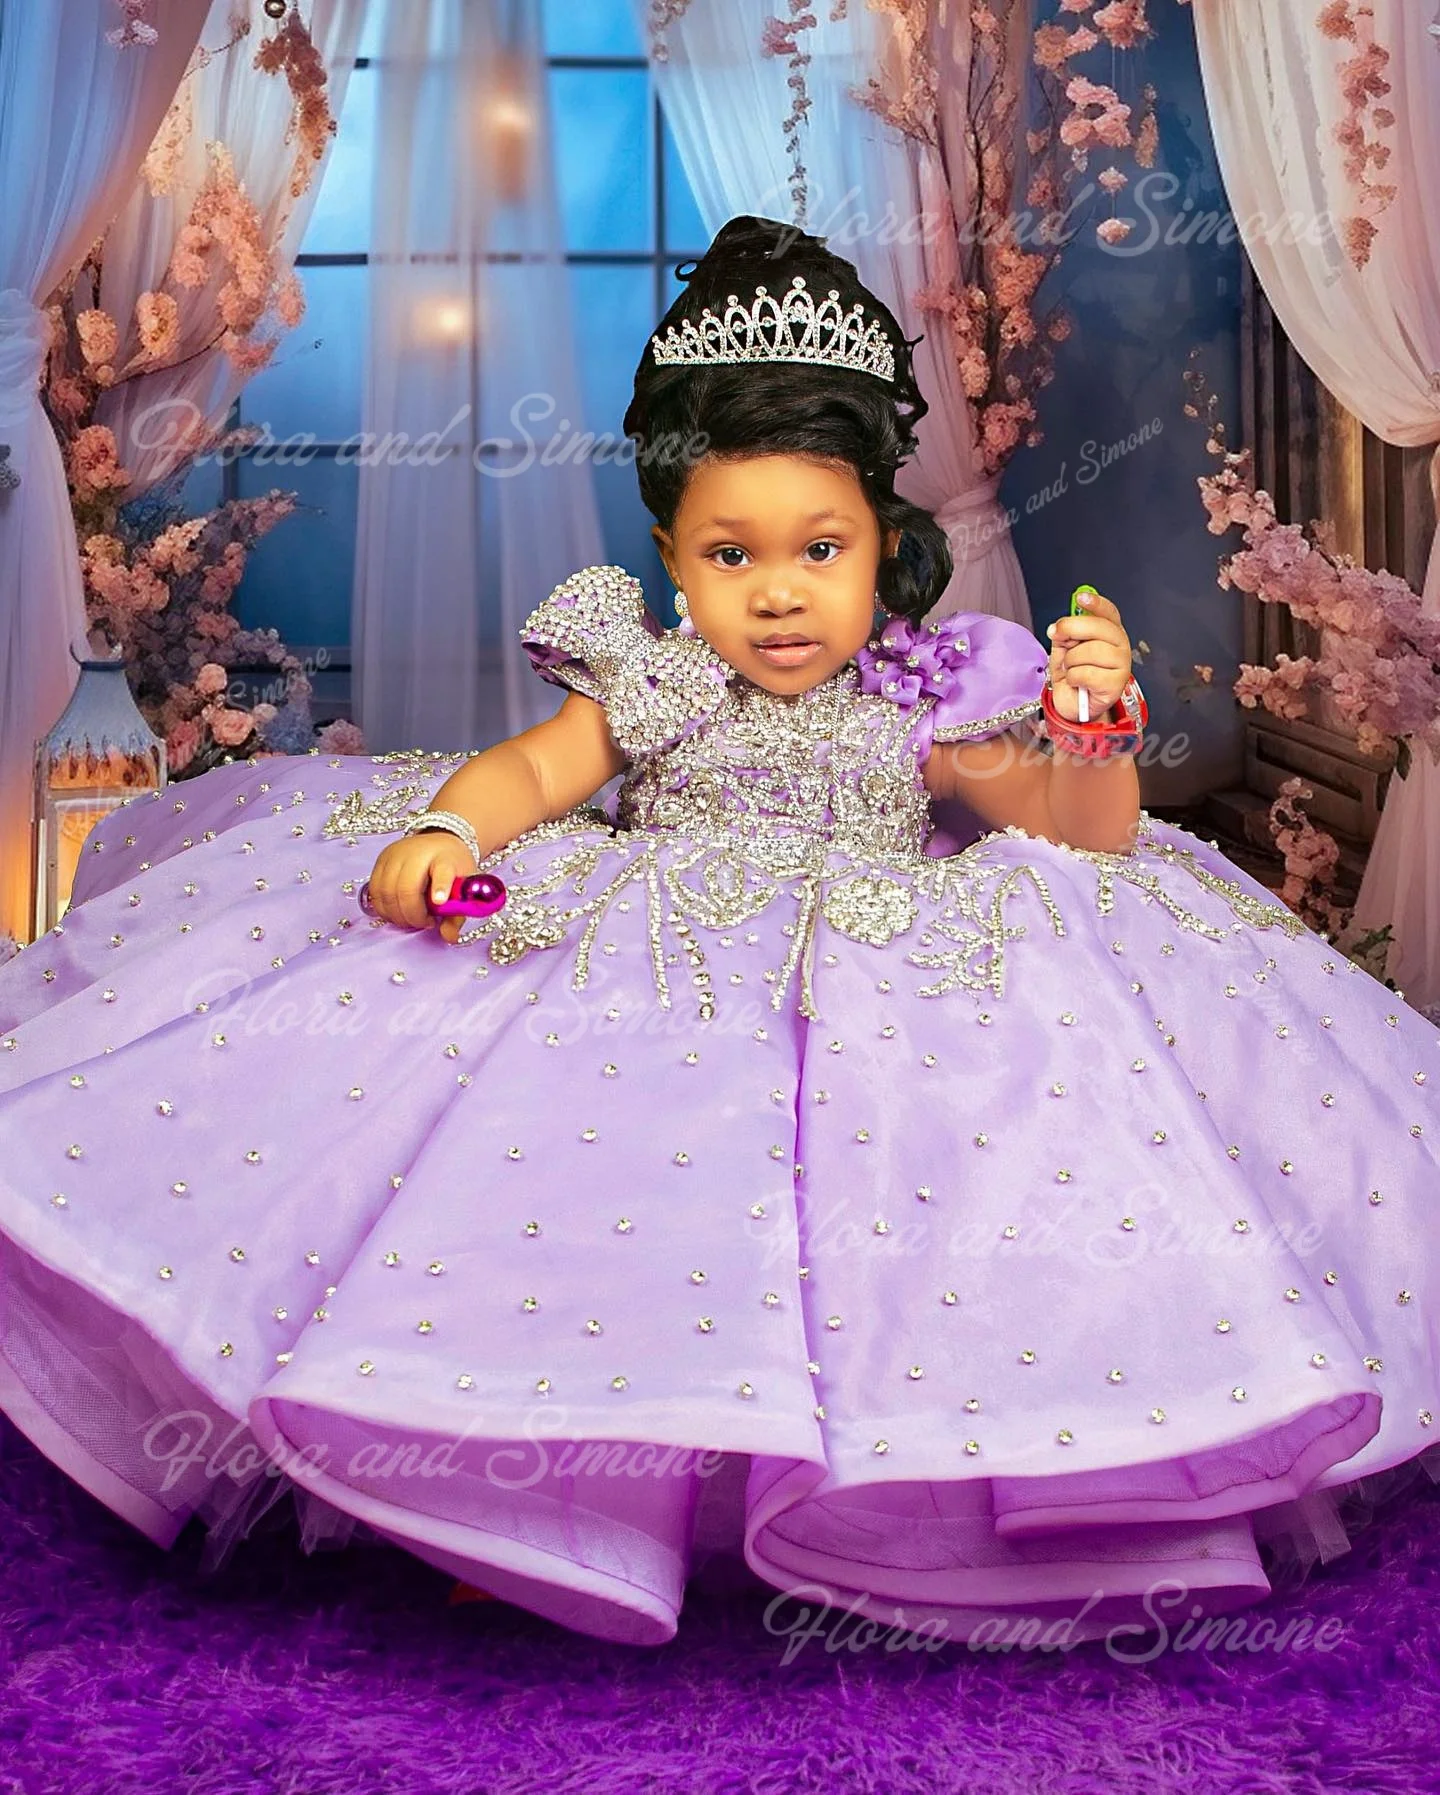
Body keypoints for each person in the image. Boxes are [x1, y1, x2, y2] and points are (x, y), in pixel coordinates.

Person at [0, 215, 1436, 1652]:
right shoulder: (657, 677)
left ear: (887, 548)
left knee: (953, 1172)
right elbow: (535, 771)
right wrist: (447, 831)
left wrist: (1091, 726)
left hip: (875, 975)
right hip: (667, 980)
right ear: (676, 566)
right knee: (590, 1204)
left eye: (822, 547)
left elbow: (1082, 831)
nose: (779, 588)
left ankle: (954, 1466)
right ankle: (517, 1466)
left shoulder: (925, 689)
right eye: (731, 552)